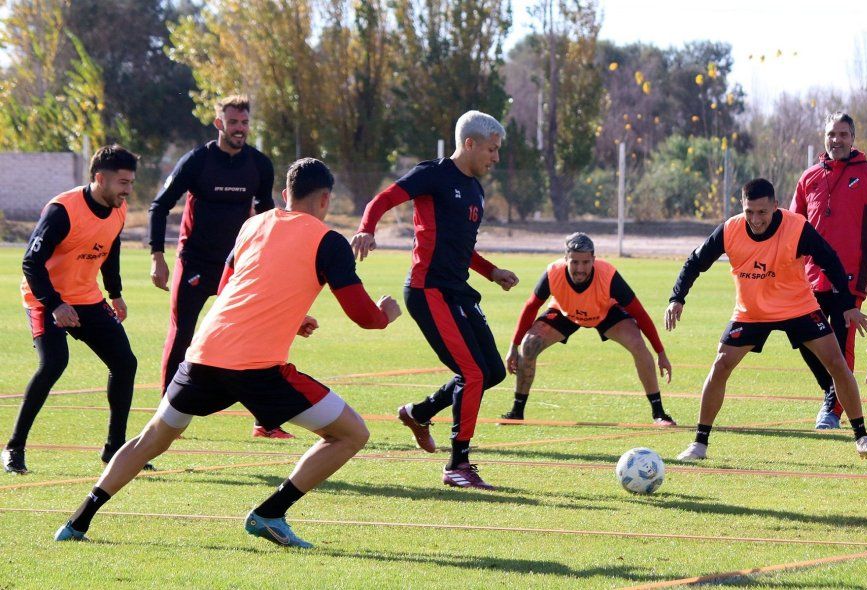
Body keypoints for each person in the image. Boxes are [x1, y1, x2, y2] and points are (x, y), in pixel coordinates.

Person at [55, 158, 402, 546]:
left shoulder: (254, 224)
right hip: (258, 368)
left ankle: (77, 522)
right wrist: (387, 313)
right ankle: (270, 513)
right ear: (325, 199)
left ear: (285, 195)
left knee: (150, 438)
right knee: (351, 434)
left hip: (204, 353)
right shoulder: (328, 240)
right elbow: (364, 317)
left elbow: (230, 285)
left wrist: (292, 313)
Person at [351, 110, 519, 490]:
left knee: (491, 371)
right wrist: (365, 229)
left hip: (458, 290)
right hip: (429, 292)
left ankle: (419, 413)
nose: (496, 158)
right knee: (473, 373)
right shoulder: (434, 175)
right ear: (470, 143)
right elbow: (383, 198)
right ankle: (458, 464)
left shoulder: (475, 187)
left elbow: (460, 246)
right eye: (492, 150)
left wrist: (491, 272)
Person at [665, 178, 867, 461]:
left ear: (775, 207)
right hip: (751, 312)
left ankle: (862, 437)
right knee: (720, 366)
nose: (755, 220)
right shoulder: (730, 229)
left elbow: (830, 260)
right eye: (749, 212)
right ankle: (699, 443)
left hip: (799, 308)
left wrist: (846, 305)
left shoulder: (796, 227)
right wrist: (676, 299)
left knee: (837, 364)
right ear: (742, 207)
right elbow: (694, 263)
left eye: (762, 212)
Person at [148, 94, 286, 438]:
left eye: (244, 123)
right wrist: (157, 256)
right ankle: (166, 416)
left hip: (237, 267)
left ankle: (265, 421)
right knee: (182, 334)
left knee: (255, 338)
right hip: (194, 261)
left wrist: (265, 262)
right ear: (219, 123)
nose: (239, 129)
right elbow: (160, 206)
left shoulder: (259, 164)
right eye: (233, 122)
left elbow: (266, 219)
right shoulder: (197, 161)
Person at [2, 146, 140, 475]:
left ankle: (114, 450)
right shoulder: (62, 210)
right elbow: (31, 262)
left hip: (86, 297)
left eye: (131, 183)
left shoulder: (119, 209)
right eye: (123, 182)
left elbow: (112, 247)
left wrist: (115, 293)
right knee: (53, 363)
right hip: (44, 296)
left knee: (125, 363)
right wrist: (55, 304)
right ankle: (14, 448)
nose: (128, 190)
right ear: (99, 178)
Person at [501, 232, 675, 425]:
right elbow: (531, 307)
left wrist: (661, 353)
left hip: (605, 311)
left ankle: (659, 413)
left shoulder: (609, 276)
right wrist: (513, 347)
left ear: (594, 259)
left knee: (637, 343)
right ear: (565, 259)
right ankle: (517, 412)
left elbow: (640, 315)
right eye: (574, 262)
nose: (580, 269)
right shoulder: (553, 273)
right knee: (530, 344)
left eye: (585, 262)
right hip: (565, 311)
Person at [789, 112, 867, 429]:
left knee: (842, 344)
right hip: (810, 277)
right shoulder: (809, 178)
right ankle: (834, 390)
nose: (837, 140)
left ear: (853, 138)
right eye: (832, 134)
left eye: (843, 134)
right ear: (824, 137)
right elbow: (793, 226)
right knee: (803, 336)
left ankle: (831, 411)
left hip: (851, 277)